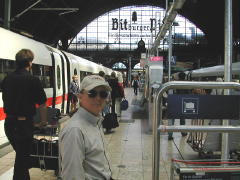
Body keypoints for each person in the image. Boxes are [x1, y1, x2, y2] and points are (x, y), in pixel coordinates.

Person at [1, 49, 47, 180]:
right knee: (22, 160)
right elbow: (42, 104)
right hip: (24, 125)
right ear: (30, 63)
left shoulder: (7, 79)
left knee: (22, 157)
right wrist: (43, 122)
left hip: (9, 124)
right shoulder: (32, 79)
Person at [59, 75, 114, 180]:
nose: (98, 98)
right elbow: (72, 176)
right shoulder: (75, 130)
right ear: (80, 96)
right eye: (92, 93)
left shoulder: (95, 121)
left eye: (103, 94)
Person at [168, 72, 188, 140]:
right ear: (184, 77)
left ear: (179, 77)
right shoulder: (186, 84)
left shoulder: (174, 83)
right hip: (182, 103)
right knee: (182, 119)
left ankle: (170, 135)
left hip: (174, 102)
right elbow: (188, 95)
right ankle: (183, 132)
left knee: (172, 119)